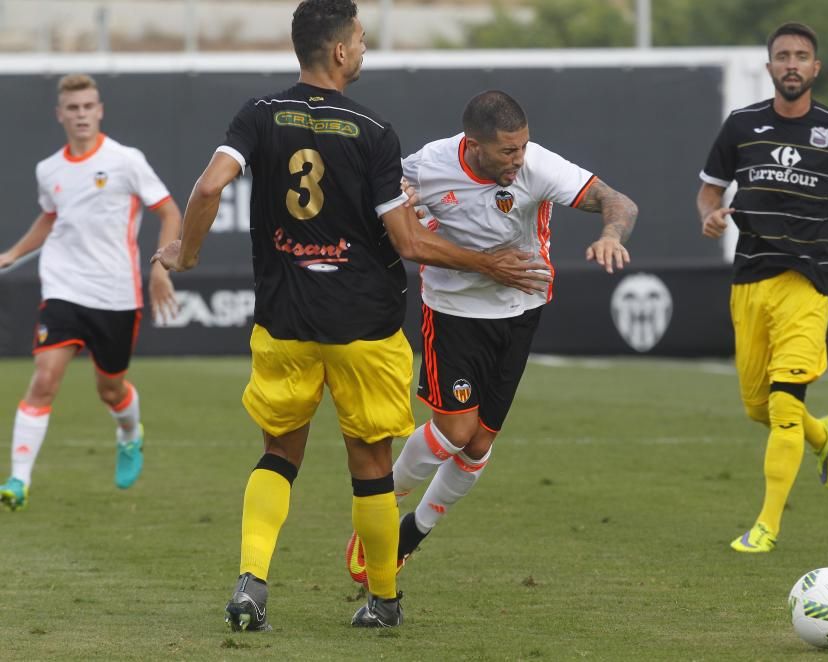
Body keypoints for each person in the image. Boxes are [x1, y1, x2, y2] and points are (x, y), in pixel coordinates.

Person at [151, 0, 549, 631]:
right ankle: (383, 600)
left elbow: (206, 188)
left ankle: (252, 583)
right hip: (364, 325)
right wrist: (489, 263)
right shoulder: (373, 131)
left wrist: (187, 253)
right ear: (339, 51)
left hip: (285, 320)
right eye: (360, 39)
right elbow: (410, 243)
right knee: (369, 465)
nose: (363, 48)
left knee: (279, 455)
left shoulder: (257, 114)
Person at [344, 89, 638, 588]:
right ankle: (380, 502)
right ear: (473, 144)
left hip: (522, 310)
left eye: (522, 147)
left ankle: (413, 533)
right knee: (454, 432)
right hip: (454, 312)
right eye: (507, 151)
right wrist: (402, 205)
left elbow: (617, 201)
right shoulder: (429, 165)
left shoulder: (536, 165)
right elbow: (383, 205)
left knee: (478, 446)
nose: (518, 160)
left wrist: (611, 235)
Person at [696, 22, 828, 553]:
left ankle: (766, 526)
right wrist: (711, 215)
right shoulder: (740, 125)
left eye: (802, 56)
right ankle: (822, 434)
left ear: (816, 68)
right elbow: (708, 192)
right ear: (769, 68)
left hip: (808, 282)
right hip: (750, 279)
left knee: (785, 403)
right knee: (757, 408)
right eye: (783, 56)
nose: (792, 63)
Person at [0, 74, 181, 511]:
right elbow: (50, 218)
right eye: (73, 108)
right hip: (63, 287)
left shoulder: (126, 160)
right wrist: (14, 253)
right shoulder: (49, 169)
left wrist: (160, 267)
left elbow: (170, 211)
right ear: (60, 114)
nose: (81, 114)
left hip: (116, 294)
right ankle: (17, 481)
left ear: (99, 110)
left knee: (111, 390)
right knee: (44, 379)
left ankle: (128, 435)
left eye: (88, 106)